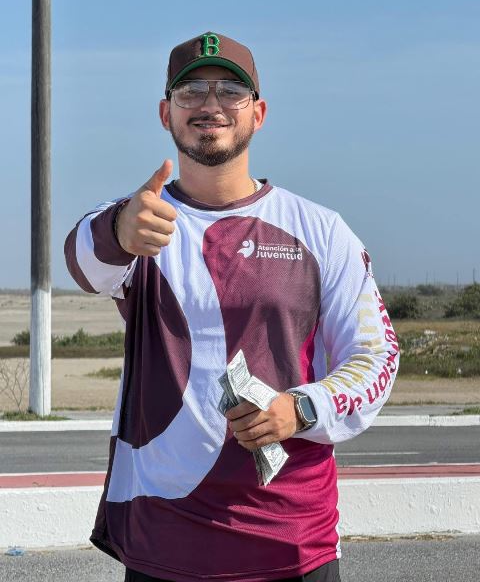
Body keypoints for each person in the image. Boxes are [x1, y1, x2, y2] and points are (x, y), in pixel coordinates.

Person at [65, 32, 399, 582]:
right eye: (191, 91)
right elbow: (85, 265)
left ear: (258, 113)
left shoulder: (322, 230)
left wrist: (301, 408)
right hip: (164, 539)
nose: (210, 105)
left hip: (292, 541)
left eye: (230, 91)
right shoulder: (141, 221)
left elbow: (376, 355)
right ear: (166, 113)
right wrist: (120, 229)